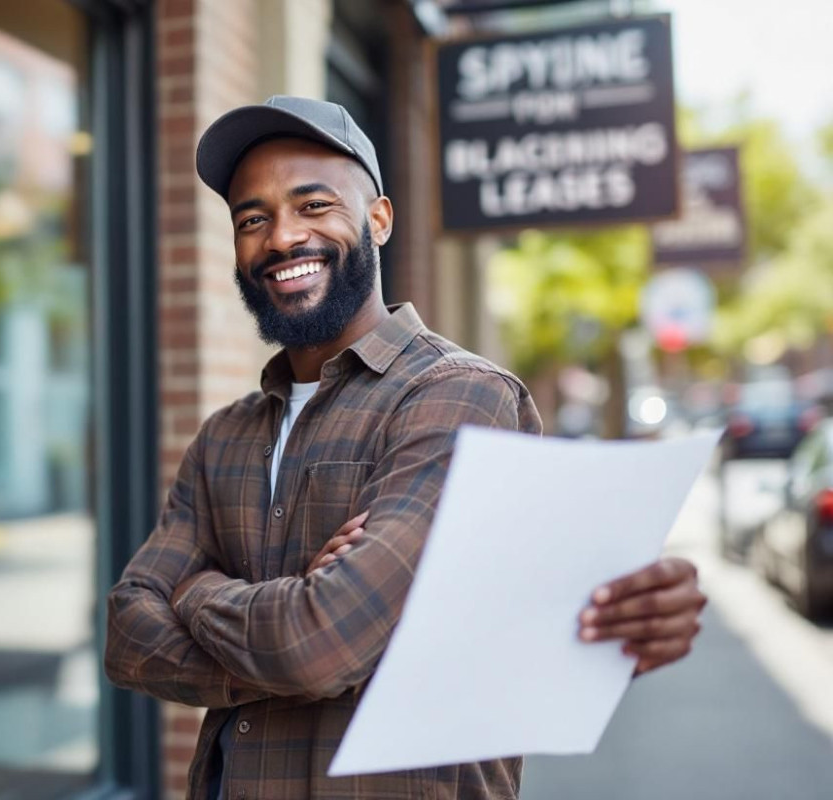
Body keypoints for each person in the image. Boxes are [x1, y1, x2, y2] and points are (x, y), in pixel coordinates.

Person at [103, 96, 707, 800]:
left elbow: (318, 644)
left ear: (379, 219)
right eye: (252, 219)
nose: (280, 238)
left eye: (313, 205)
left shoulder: (458, 399)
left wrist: (200, 593)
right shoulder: (223, 438)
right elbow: (127, 636)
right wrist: (295, 627)